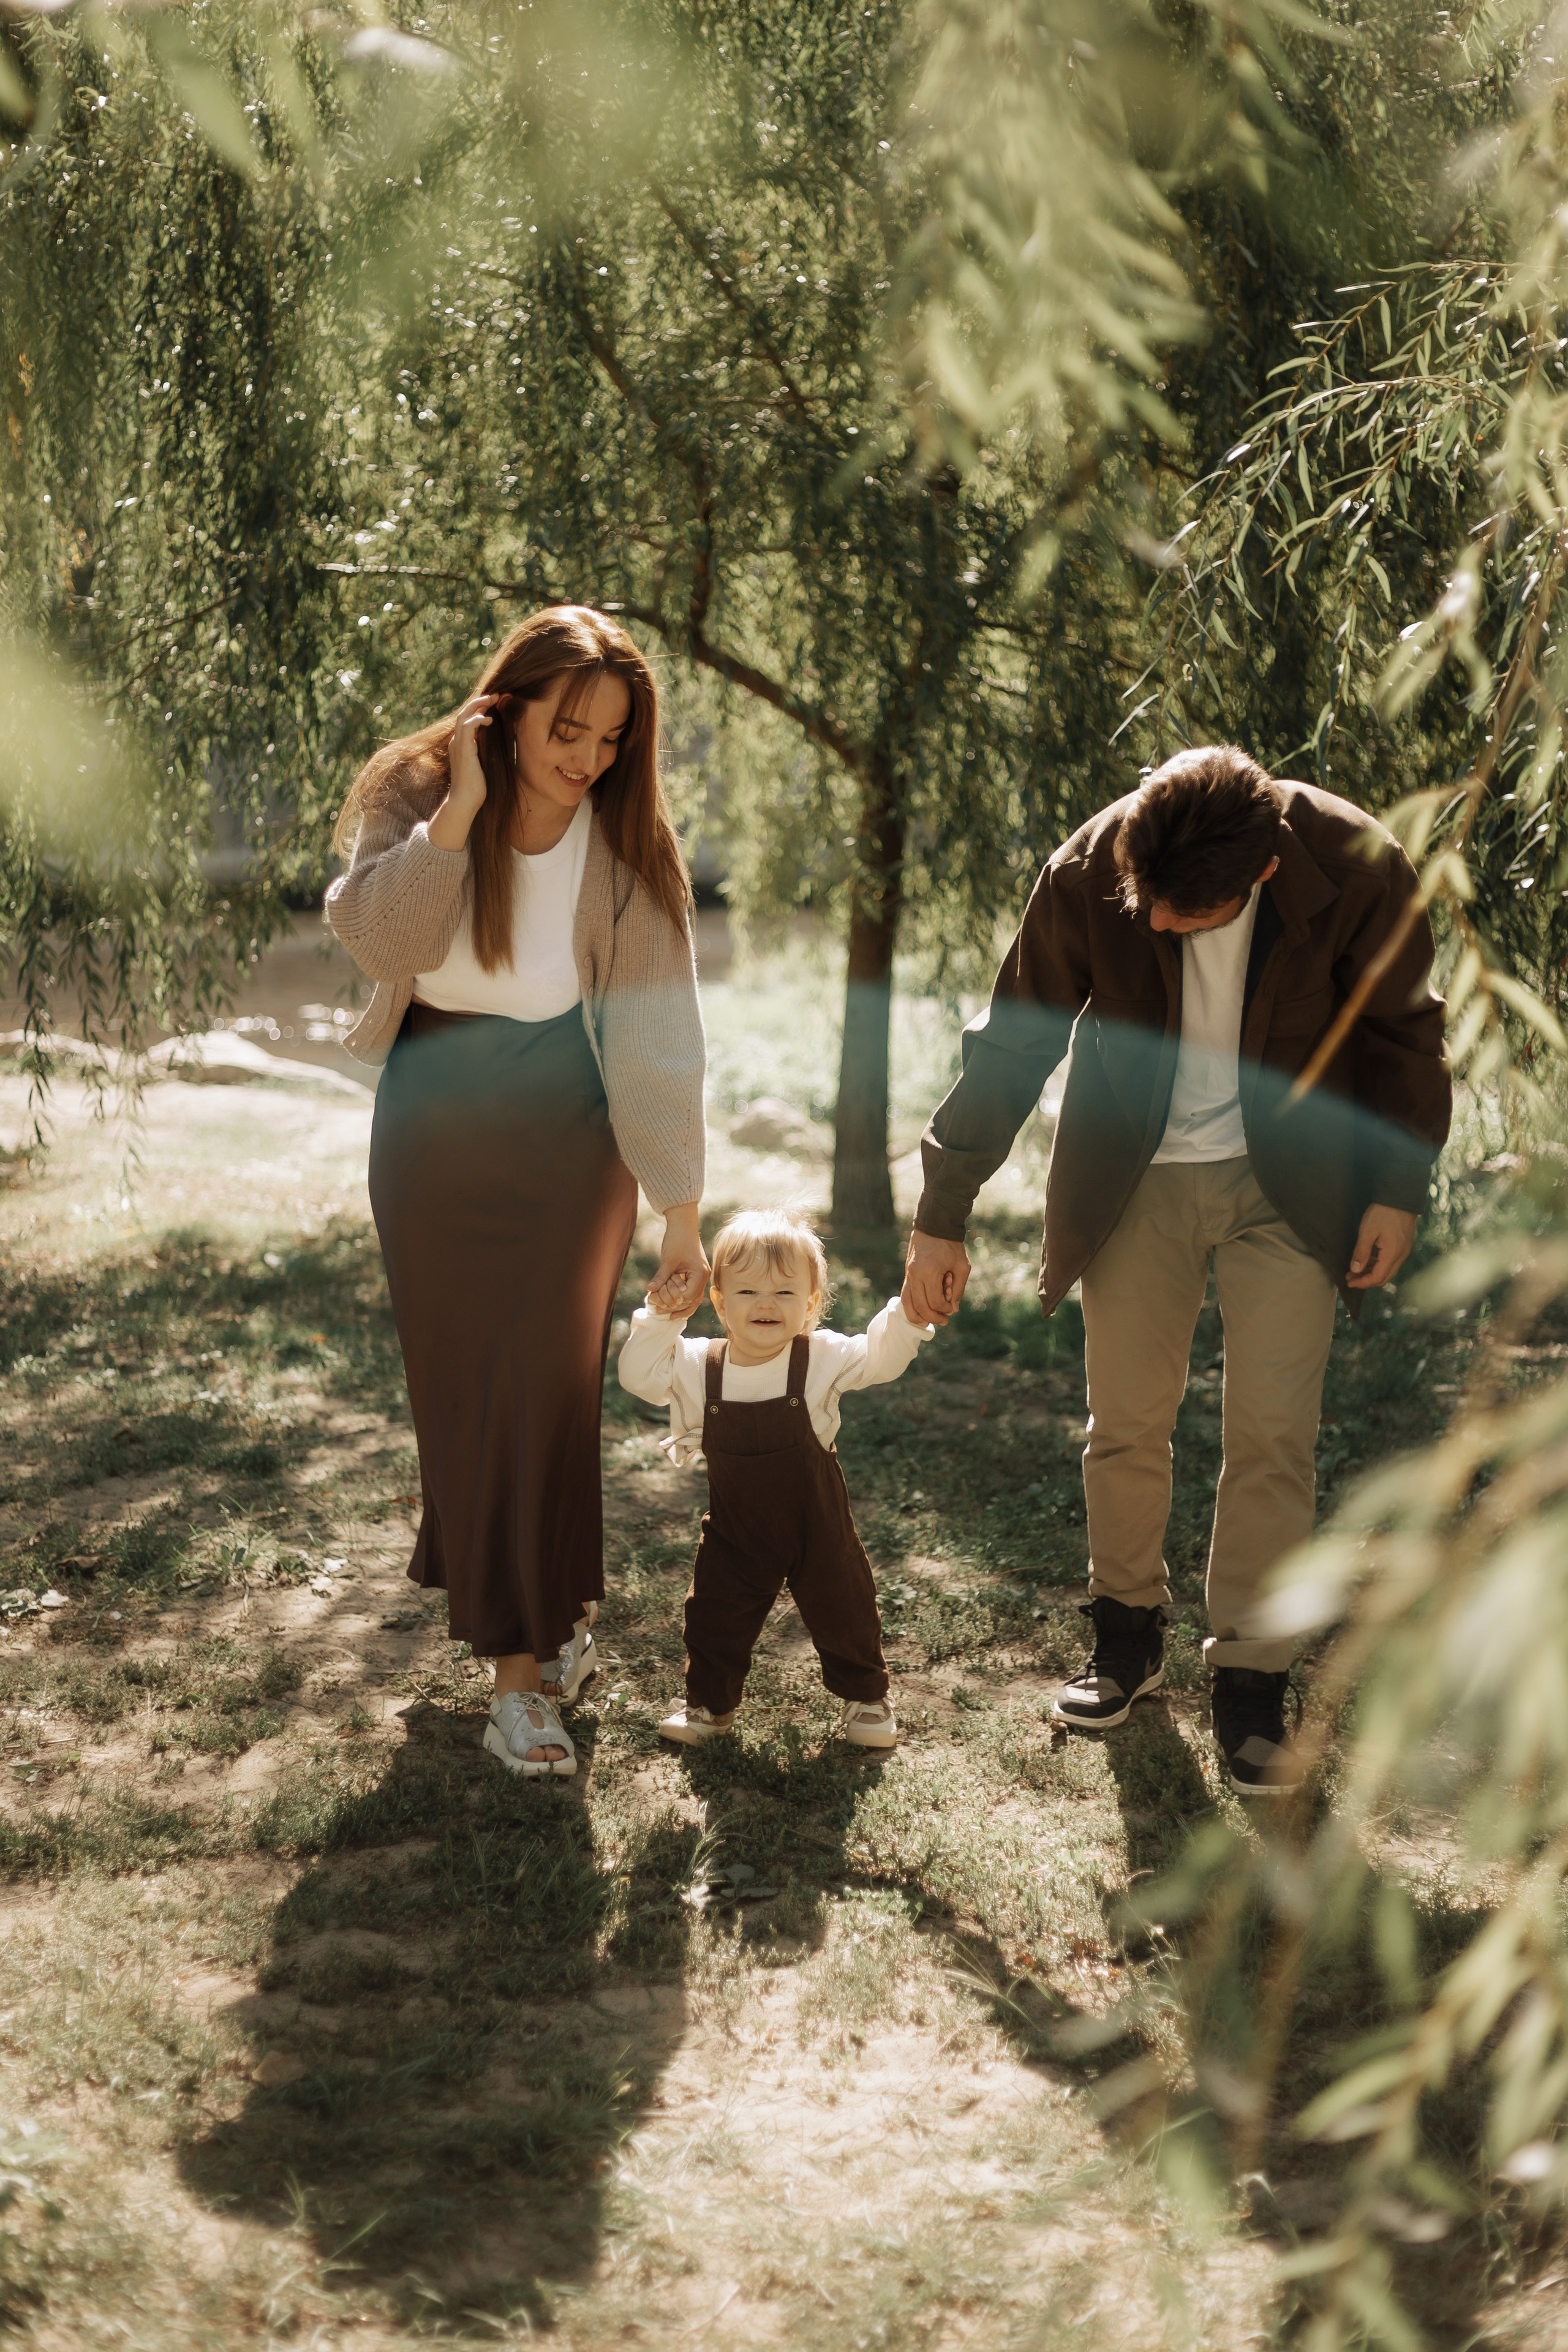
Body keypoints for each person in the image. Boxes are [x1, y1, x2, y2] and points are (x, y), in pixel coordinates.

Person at [902, 746, 1451, 1795]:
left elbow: (1404, 1031)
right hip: (1135, 1175)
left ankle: (1250, 1686)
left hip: (1291, 1184)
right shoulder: (1093, 871)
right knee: (1127, 1419)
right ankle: (1126, 1644)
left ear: (1260, 879)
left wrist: (1397, 1184)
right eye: (1142, 900)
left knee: (1274, 1436)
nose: (1149, 923)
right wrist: (943, 1209)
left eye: (1178, 915)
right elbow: (1014, 1041)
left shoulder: (1357, 864)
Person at [326, 605, 708, 1779]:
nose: (587, 757)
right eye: (567, 729)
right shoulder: (417, 787)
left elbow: (656, 1037)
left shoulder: (627, 844)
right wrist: (465, 816)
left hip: (569, 1133)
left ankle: (522, 1672)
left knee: (546, 1396)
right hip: (435, 1122)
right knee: (464, 1395)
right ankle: (540, 1629)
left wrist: (680, 1207)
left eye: (610, 739)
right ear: (511, 705)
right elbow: (381, 940)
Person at [619, 1209, 932, 1749]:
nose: (766, 1304)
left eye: (786, 1293)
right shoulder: (697, 1364)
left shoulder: (822, 1357)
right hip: (736, 1531)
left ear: (811, 1304)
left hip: (818, 1528)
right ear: (717, 1300)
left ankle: (868, 1700)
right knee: (712, 1616)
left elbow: (880, 1358)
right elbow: (637, 1376)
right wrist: (662, 1318)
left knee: (846, 1609)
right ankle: (709, 1708)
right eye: (747, 1291)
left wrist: (905, 1316)